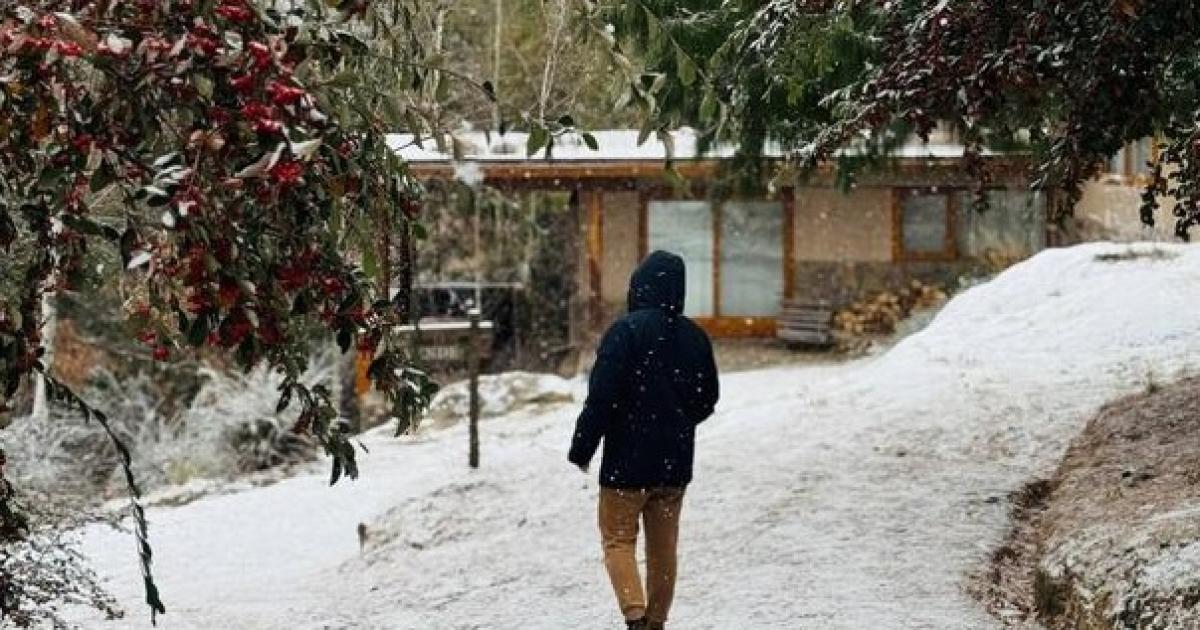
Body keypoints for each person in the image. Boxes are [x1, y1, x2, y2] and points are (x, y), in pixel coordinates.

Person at [569, 250, 720, 630]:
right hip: (673, 467)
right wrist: (679, 422)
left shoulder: (625, 332)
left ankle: (635, 616)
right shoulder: (695, 337)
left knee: (618, 540)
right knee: (663, 550)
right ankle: (656, 622)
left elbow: (602, 397)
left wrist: (583, 447)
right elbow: (707, 398)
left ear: (639, 288)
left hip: (626, 464)